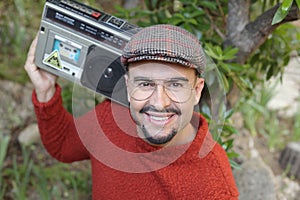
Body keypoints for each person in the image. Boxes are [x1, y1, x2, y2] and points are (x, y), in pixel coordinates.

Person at [25, 24, 239, 199]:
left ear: (197, 90)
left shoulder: (214, 188)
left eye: (175, 85)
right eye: (145, 84)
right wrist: (45, 93)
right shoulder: (111, 116)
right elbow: (63, 145)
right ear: (128, 87)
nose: (159, 103)